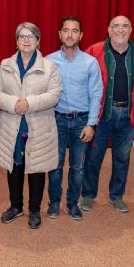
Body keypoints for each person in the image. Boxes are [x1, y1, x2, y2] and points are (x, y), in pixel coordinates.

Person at [0, 22, 62, 229]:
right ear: (16, 41)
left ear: (38, 41)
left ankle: (34, 210)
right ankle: (15, 206)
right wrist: (14, 104)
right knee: (14, 167)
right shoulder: (5, 64)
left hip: (38, 127)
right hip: (12, 126)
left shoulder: (49, 67)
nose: (26, 40)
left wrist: (28, 103)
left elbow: (54, 95)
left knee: (36, 169)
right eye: (22, 36)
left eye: (30, 36)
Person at [81, 16, 134, 213]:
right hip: (102, 115)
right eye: (116, 26)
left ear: (131, 29)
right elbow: (83, 83)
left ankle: (117, 195)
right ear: (109, 30)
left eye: (125, 26)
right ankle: (87, 194)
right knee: (94, 157)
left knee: (122, 158)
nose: (120, 30)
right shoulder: (94, 51)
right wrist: (88, 116)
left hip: (129, 114)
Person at [46, 16, 102, 220]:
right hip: (56, 119)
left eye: (75, 31)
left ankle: (72, 203)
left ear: (81, 35)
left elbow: (96, 94)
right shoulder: (49, 61)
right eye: (66, 30)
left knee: (78, 166)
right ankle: (53, 203)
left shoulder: (90, 63)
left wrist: (91, 124)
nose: (70, 35)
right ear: (59, 34)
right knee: (55, 164)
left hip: (81, 121)